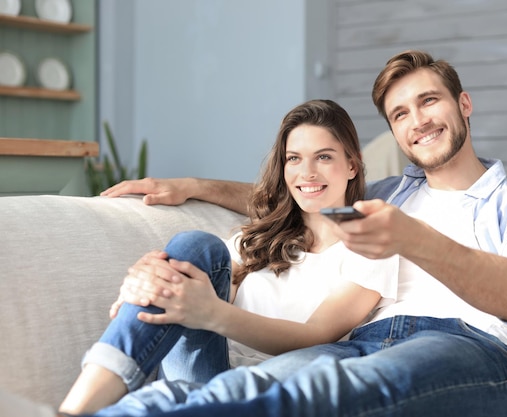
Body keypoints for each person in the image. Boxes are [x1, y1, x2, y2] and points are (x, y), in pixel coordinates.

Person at [2, 49, 507, 417]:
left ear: (463, 105)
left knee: (325, 392)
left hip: (475, 349)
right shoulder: (391, 194)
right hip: (361, 339)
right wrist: (191, 185)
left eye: (429, 101)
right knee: (260, 389)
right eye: (400, 115)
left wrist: (411, 238)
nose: (418, 122)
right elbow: (301, 196)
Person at [57, 99, 398, 415]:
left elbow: (315, 335)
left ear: (352, 165)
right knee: (195, 246)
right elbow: (190, 277)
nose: (306, 173)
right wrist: (145, 281)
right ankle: (74, 409)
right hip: (200, 370)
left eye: (323, 157)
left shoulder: (371, 245)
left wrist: (211, 313)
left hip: (266, 392)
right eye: (294, 158)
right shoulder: (264, 235)